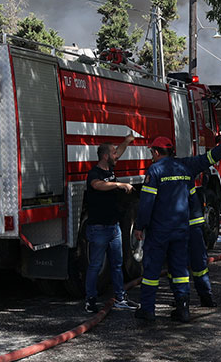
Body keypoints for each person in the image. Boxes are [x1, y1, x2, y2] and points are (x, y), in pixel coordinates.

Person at [133, 136, 221, 323]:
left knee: (152, 270)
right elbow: (203, 164)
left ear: (156, 152)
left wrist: (139, 226)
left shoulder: (155, 170)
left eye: (152, 152)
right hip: (181, 229)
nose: (151, 156)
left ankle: (147, 310)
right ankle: (183, 308)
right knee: (179, 269)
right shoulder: (184, 169)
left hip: (159, 231)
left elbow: (147, 203)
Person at [83, 134, 139, 313]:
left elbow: (119, 151)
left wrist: (127, 141)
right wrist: (118, 185)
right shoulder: (95, 173)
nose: (117, 156)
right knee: (95, 266)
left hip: (114, 228)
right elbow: (97, 185)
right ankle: (90, 300)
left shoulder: (110, 169)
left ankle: (120, 298)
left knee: (117, 264)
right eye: (114, 153)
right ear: (105, 156)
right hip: (98, 228)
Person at [185, 188, 215, 307]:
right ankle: (206, 296)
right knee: (199, 263)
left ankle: (182, 299)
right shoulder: (188, 179)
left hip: (178, 226)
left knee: (178, 265)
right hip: (194, 224)